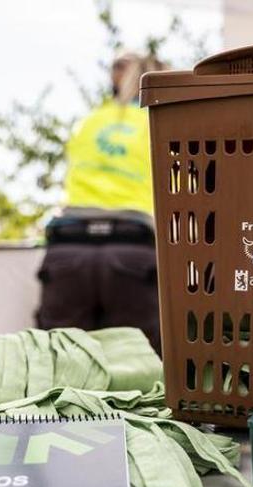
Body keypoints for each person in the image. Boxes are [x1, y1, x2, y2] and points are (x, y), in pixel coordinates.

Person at [36, 53, 166, 355]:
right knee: (143, 369)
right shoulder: (159, 123)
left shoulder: (90, 120)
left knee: (62, 364)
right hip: (133, 250)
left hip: (68, 248)